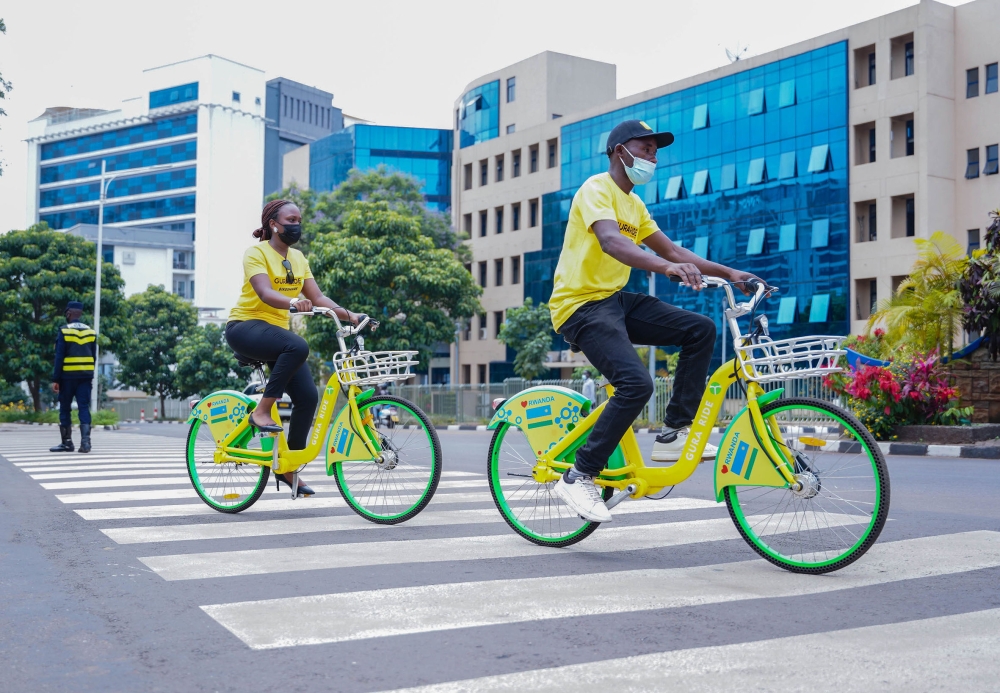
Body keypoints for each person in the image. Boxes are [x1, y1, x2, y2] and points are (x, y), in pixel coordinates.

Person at [550, 119, 761, 523]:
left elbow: (673, 250)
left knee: (699, 329)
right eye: (645, 148)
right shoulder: (596, 189)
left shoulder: (635, 204)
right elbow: (612, 242)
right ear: (619, 151)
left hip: (614, 301)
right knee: (636, 383)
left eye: (655, 150)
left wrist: (733, 274)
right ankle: (579, 476)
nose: (653, 156)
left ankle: (673, 433)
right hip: (580, 305)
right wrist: (667, 269)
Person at [226, 199, 362, 496]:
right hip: (244, 327)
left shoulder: (298, 258)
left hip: (275, 335)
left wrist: (350, 315)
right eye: (291, 219)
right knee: (298, 345)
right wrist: (292, 302)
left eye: (299, 219)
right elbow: (264, 292)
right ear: (274, 224)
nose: (296, 224)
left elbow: (319, 297)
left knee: (308, 397)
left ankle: (289, 467)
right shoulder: (256, 253)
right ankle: (262, 411)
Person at [50, 300, 96, 453]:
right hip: (85, 377)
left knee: (65, 408)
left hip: (67, 377)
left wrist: (56, 379)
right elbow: (94, 357)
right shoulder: (91, 331)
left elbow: (59, 357)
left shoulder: (64, 330)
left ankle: (67, 442)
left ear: (68, 313)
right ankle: (86, 443)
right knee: (84, 407)